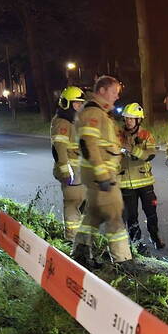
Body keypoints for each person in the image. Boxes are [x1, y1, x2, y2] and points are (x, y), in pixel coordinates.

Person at [71, 76, 131, 268]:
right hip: (102, 177)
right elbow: (88, 145)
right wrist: (102, 175)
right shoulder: (93, 113)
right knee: (115, 217)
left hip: (100, 176)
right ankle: (123, 262)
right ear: (102, 91)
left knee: (93, 216)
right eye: (114, 92)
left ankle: (80, 254)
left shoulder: (99, 113)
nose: (116, 97)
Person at [118, 103, 163, 253]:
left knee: (151, 212)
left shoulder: (146, 135)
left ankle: (155, 236)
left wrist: (132, 149)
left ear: (138, 120)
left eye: (132, 118)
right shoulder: (118, 134)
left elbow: (149, 155)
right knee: (131, 216)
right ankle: (137, 244)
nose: (129, 121)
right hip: (125, 183)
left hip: (145, 182)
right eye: (127, 118)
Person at [50, 86, 86, 240]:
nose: (79, 107)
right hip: (72, 173)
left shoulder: (72, 122)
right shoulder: (62, 123)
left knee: (81, 203)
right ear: (66, 104)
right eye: (76, 104)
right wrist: (66, 172)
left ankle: (80, 238)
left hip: (79, 171)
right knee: (72, 205)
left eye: (81, 103)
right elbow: (59, 149)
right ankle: (72, 238)